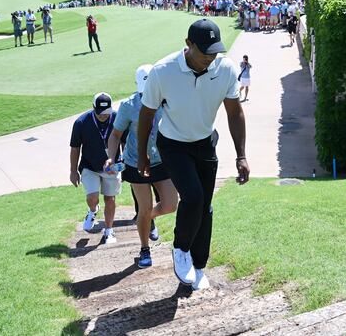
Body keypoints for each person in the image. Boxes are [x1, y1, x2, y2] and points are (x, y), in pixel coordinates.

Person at [138, 19, 250, 291]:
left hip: (204, 143)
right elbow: (146, 115)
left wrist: (241, 156)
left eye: (215, 52)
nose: (210, 59)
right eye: (204, 53)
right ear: (188, 45)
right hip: (173, 144)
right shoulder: (163, 71)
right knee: (193, 197)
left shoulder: (224, 69)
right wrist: (142, 155)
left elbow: (235, 113)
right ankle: (180, 249)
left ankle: (199, 266)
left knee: (206, 207)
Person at [107, 65, 178, 269]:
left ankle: (146, 219)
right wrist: (111, 158)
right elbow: (115, 135)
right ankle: (145, 248)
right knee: (144, 206)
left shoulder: (166, 100)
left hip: (161, 160)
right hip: (135, 162)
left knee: (171, 204)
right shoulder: (129, 105)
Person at [70, 93, 121, 244]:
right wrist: (73, 171)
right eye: (100, 113)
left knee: (110, 199)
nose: (103, 116)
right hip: (89, 166)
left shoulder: (118, 118)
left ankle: (109, 231)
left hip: (111, 167)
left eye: (106, 113)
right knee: (92, 197)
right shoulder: (81, 122)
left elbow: (125, 141)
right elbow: (75, 148)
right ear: (93, 108)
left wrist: (123, 162)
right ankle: (93, 211)